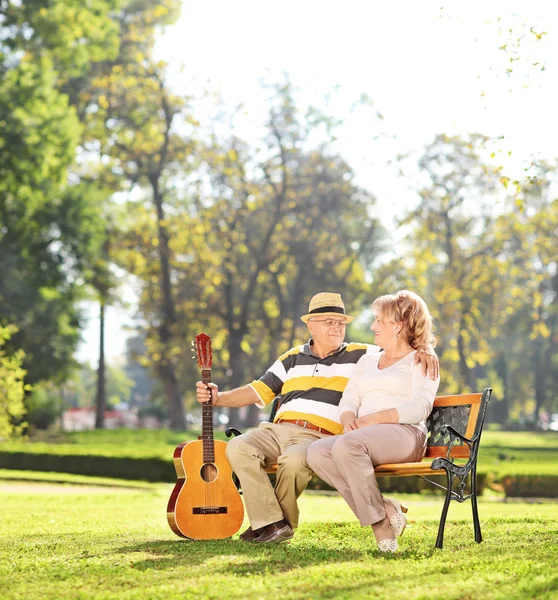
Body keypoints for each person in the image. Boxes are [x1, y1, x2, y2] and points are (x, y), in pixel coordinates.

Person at [195, 292, 439, 544]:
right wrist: (218, 397)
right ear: (310, 324)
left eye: (341, 322)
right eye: (329, 321)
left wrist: (427, 349)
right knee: (238, 446)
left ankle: (272, 526)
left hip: (316, 435)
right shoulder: (291, 358)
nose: (337, 327)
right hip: (276, 430)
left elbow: (403, 346)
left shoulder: (361, 354)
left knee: (295, 460)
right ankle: (273, 523)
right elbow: (258, 390)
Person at [306, 290, 440, 553]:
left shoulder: (421, 359)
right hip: (362, 437)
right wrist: (349, 420)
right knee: (317, 451)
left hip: (405, 435)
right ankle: (387, 509)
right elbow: (349, 400)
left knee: (346, 446)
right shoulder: (367, 360)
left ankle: (381, 530)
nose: (372, 326)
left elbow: (420, 408)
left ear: (399, 325)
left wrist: (373, 419)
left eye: (379, 320)